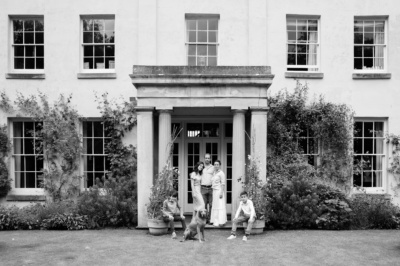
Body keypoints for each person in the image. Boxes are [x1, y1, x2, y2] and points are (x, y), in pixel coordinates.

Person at [210, 159, 227, 227]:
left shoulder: (221, 173)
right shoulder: (214, 173)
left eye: (217, 164)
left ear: (219, 165)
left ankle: (221, 221)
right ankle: (215, 221)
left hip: (219, 191)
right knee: (215, 206)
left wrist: (221, 193)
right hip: (214, 191)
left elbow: (223, 184)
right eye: (215, 164)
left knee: (220, 206)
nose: (216, 166)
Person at [201, 153, 214, 224]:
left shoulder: (213, 167)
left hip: (211, 188)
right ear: (204, 159)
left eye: (208, 158)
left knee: (211, 205)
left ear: (210, 159)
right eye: (206, 158)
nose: (207, 159)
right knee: (204, 205)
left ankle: (210, 219)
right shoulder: (201, 167)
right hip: (203, 188)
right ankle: (205, 219)